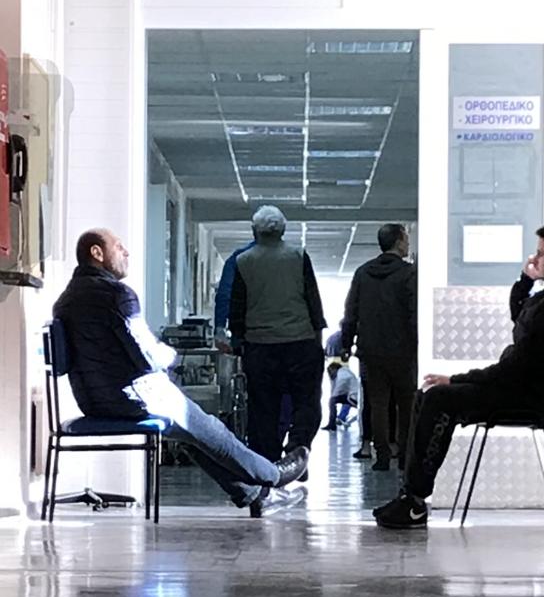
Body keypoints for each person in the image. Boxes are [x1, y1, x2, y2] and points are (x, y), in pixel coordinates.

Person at [53, 228, 309, 518]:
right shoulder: (116, 295)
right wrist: (171, 354)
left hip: (93, 401)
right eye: (119, 246)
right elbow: (149, 358)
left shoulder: (65, 301)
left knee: (193, 435)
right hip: (132, 398)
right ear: (96, 253)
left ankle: (255, 495)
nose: (126, 253)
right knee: (210, 427)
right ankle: (273, 474)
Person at [374, 222, 544, 530]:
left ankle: (414, 500)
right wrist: (525, 281)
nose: (535, 260)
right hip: (524, 388)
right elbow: (521, 319)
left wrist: (456, 379)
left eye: (541, 253)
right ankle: (411, 496)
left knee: (439, 398)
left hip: (528, 395)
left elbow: (515, 366)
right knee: (429, 395)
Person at [230, 205, 327, 468]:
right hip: (300, 342)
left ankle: (268, 463)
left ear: (254, 231)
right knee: (307, 403)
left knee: (264, 408)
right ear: (283, 230)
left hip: (260, 346)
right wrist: (318, 340)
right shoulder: (298, 256)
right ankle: (297, 449)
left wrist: (238, 341)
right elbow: (312, 299)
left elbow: (237, 306)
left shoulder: (243, 261)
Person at [341, 223, 417, 471]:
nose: (407, 245)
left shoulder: (363, 273)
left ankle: (381, 456)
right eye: (406, 240)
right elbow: (413, 312)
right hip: (403, 350)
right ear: (397, 242)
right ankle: (404, 454)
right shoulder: (409, 274)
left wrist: (346, 342)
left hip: (370, 350)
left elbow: (351, 311)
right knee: (406, 404)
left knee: (378, 403)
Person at [322, 358, 359, 431]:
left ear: (334, 369)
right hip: (351, 396)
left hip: (353, 397)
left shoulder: (343, 373)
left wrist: (333, 397)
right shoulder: (341, 373)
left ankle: (332, 424)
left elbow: (340, 386)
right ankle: (335, 421)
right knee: (333, 400)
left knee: (332, 401)